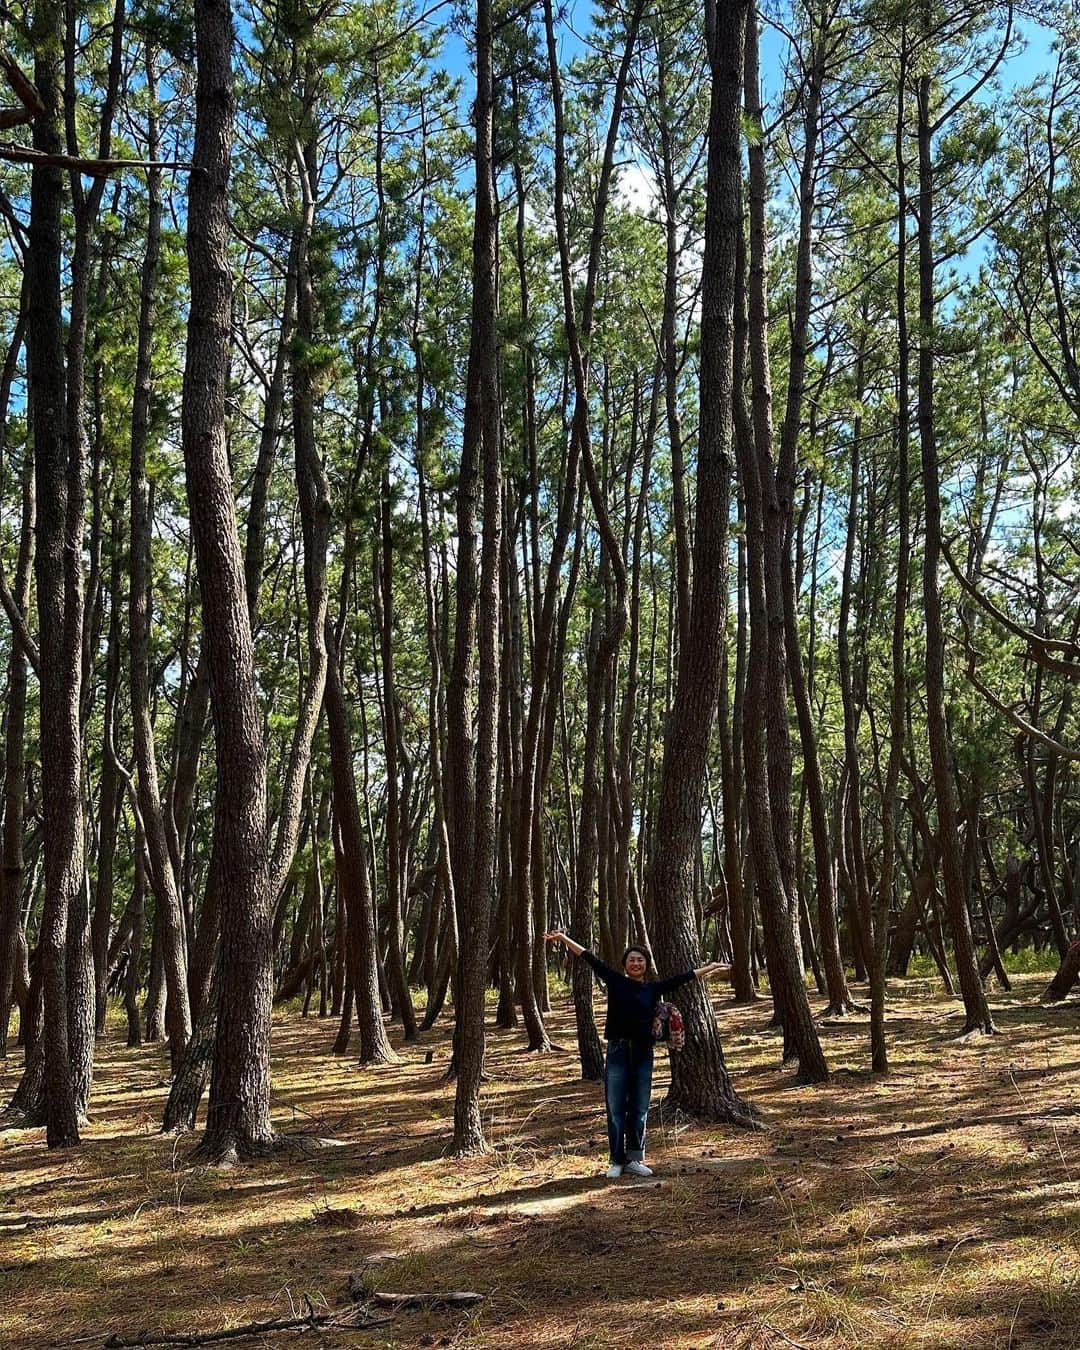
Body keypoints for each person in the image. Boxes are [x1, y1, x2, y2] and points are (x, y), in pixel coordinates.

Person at [545, 930, 730, 1179]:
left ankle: (635, 1158)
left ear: (645, 965)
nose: (636, 963)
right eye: (632, 959)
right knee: (615, 1107)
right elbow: (588, 957)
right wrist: (564, 939)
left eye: (640, 960)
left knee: (640, 1107)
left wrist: (710, 968)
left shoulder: (653, 989)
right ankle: (616, 1160)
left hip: (643, 1053)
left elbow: (682, 979)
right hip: (618, 1051)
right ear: (625, 964)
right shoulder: (615, 980)